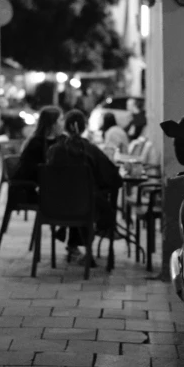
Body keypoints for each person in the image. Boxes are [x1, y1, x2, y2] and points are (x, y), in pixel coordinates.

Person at [47, 109, 123, 260]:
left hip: (54, 208)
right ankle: (104, 228)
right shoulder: (90, 149)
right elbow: (113, 177)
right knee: (87, 196)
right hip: (85, 208)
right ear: (83, 127)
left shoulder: (54, 150)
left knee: (75, 194)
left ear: (66, 126)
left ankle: (74, 244)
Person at [12, 105, 64, 191]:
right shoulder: (35, 144)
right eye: (61, 120)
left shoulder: (63, 141)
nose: (63, 123)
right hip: (33, 190)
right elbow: (29, 171)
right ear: (52, 124)